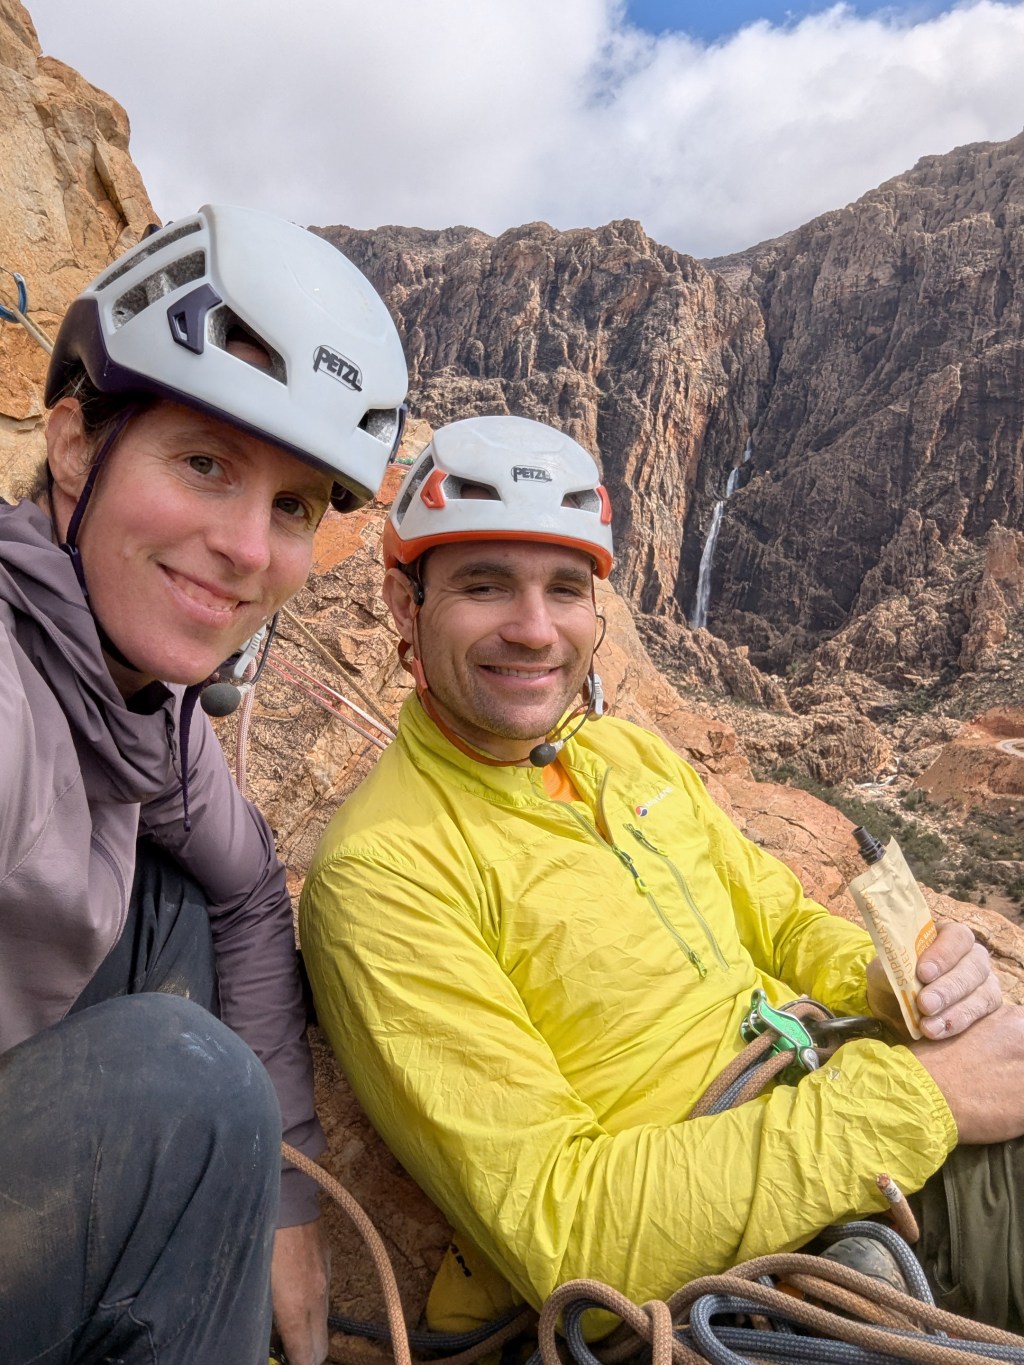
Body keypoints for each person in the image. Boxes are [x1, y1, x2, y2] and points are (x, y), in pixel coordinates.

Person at [299, 413, 1024, 1338]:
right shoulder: (385, 875)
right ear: (406, 606)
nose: (534, 630)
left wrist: (884, 978)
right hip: (767, 1253)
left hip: (852, 1132)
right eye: (485, 586)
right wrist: (930, 1097)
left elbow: (783, 920)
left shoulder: (625, 756)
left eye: (565, 590)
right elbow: (568, 1232)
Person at [0, 204, 408, 1365]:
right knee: (191, 1084)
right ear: (75, 444)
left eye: (289, 506)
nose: (245, 549)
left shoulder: (145, 710)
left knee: (173, 902)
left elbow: (239, 891)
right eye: (203, 464)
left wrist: (277, 1204)